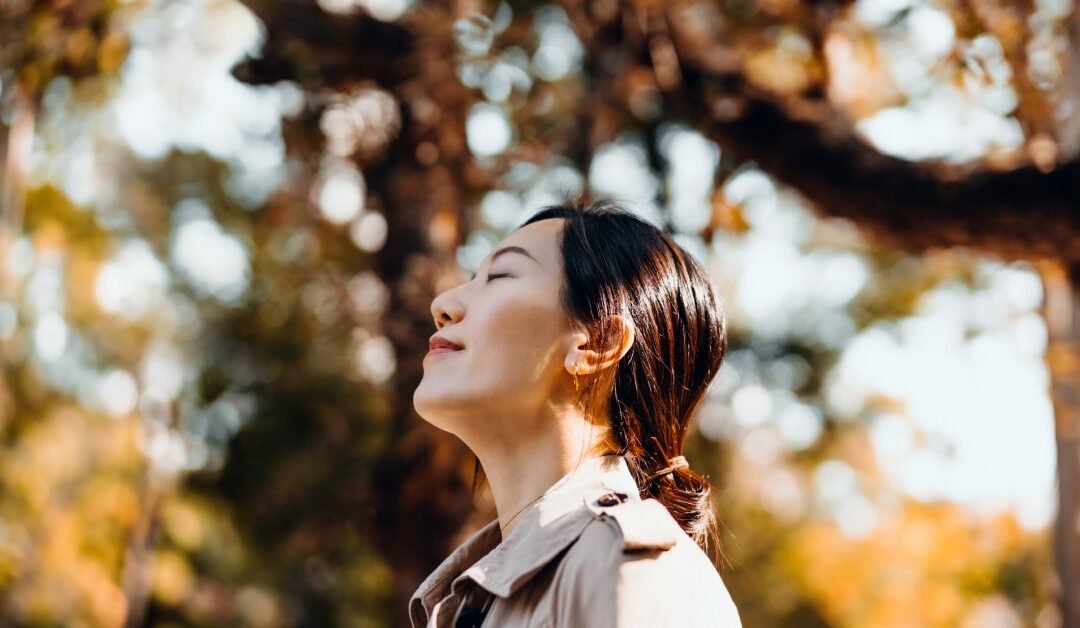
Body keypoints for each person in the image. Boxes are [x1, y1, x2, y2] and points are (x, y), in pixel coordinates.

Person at [410, 198, 743, 627]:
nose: (443, 304)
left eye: (500, 276)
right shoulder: (485, 598)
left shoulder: (633, 572)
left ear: (598, 344)